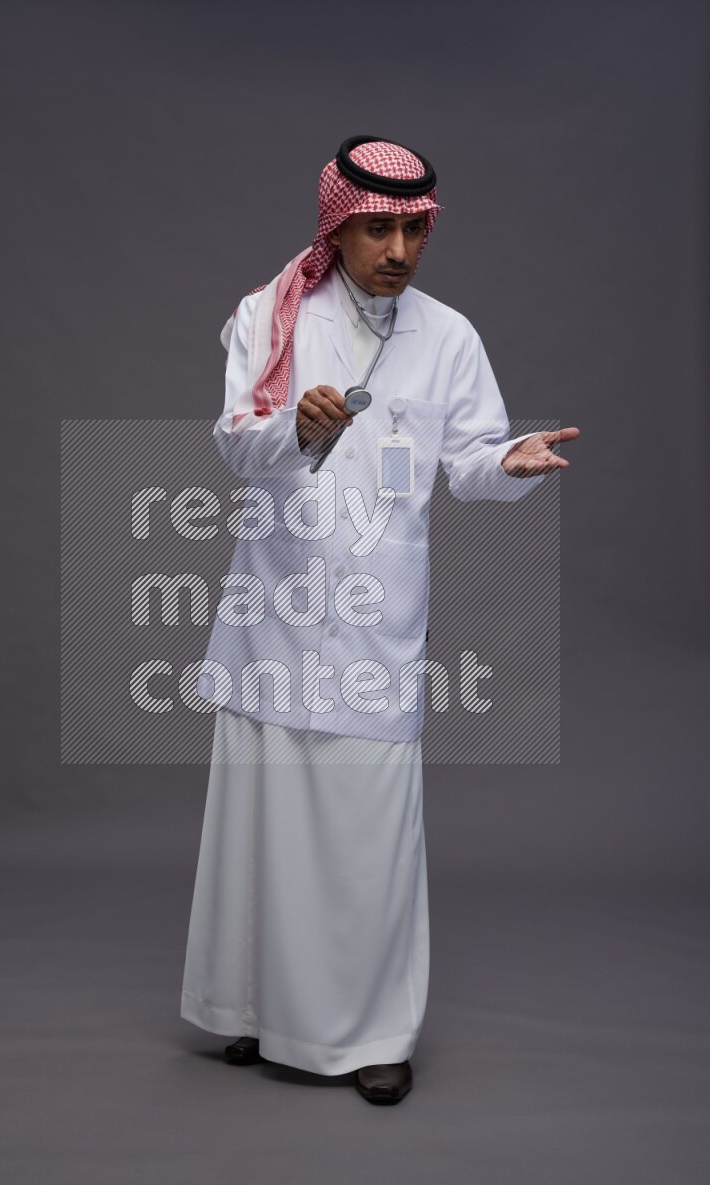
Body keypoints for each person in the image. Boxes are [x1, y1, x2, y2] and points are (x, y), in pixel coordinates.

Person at [180, 135, 579, 1104]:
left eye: (413, 229)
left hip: (372, 626)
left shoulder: (446, 337)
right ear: (337, 226)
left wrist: (507, 466)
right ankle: (247, 1012)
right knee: (258, 829)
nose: (397, 248)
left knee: (366, 839)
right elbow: (237, 447)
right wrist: (298, 428)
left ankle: (372, 1034)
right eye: (377, 228)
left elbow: (471, 459)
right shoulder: (268, 316)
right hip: (274, 611)